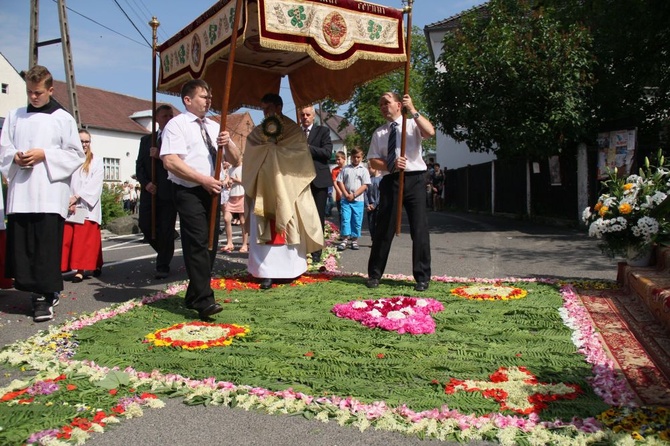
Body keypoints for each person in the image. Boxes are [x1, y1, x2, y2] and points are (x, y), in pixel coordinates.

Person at [0, 65, 85, 322]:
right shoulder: (14, 116)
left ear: (50, 90)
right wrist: (14, 157)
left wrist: (44, 154)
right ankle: (33, 290)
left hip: (48, 193)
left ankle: (45, 296)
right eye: (29, 92)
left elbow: (75, 154)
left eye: (38, 92)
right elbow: (4, 147)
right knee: (24, 248)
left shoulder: (63, 119)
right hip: (21, 192)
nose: (33, 97)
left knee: (45, 249)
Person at [160, 79, 241, 320]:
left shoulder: (216, 126)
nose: (209, 101)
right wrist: (202, 179)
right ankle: (205, 300)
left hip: (212, 191)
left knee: (210, 245)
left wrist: (228, 145)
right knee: (196, 242)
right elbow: (171, 161)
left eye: (209, 97)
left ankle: (194, 293)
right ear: (188, 100)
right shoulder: (177, 125)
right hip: (188, 190)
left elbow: (236, 158)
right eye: (203, 97)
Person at [242, 93, 324, 289]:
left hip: (287, 188)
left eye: (269, 109)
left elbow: (300, 155)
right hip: (263, 187)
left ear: (279, 107)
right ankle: (265, 272)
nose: (266, 113)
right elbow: (251, 152)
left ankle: (290, 270)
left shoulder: (293, 130)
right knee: (265, 229)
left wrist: (275, 151)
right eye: (263, 109)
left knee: (287, 227)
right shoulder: (258, 131)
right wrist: (267, 149)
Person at [366, 92, 435, 292]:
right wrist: (392, 163)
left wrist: (412, 109)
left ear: (398, 104)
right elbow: (372, 160)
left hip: (415, 179)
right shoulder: (379, 133)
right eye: (380, 104)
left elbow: (430, 132)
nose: (382, 106)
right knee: (383, 228)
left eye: (386, 102)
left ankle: (422, 276)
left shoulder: (413, 124)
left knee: (419, 228)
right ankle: (375, 274)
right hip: (391, 180)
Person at [136, 103, 178, 279]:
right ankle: (165, 249)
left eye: (170, 116)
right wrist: (146, 183)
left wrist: (160, 155)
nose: (168, 119)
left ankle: (163, 264)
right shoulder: (146, 140)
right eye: (164, 116)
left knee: (166, 228)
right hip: (150, 192)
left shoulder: (176, 138)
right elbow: (139, 166)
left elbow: (177, 164)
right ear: (157, 119)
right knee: (145, 225)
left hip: (168, 192)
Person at [61, 129, 104, 282]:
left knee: (85, 239)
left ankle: (81, 269)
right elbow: (64, 181)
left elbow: (95, 184)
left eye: (87, 141)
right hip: (70, 204)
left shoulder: (96, 161)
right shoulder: (69, 160)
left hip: (87, 205)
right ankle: (68, 266)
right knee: (69, 238)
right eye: (81, 141)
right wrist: (67, 200)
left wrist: (77, 197)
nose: (84, 144)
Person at [300, 106, 333, 261]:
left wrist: (308, 149)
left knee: (317, 215)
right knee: (301, 215)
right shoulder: (296, 134)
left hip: (319, 180)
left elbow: (327, 153)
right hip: (300, 181)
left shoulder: (323, 132)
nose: (305, 117)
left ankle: (316, 252)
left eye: (308, 115)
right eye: (302, 115)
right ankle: (302, 248)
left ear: (313, 116)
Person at [336, 147, 370, 251]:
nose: (356, 159)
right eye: (354, 157)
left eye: (358, 157)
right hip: (346, 199)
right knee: (346, 219)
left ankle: (354, 240)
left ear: (361, 157)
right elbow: (340, 181)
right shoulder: (346, 169)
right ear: (351, 157)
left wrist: (354, 195)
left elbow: (365, 185)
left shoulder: (364, 170)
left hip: (358, 200)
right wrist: (345, 193)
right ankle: (345, 239)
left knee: (356, 220)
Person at [223, 156, 248, 253]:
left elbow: (247, 182)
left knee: (243, 221)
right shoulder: (230, 168)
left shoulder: (244, 167)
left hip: (241, 195)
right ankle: (229, 242)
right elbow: (227, 180)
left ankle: (245, 244)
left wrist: (238, 181)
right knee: (226, 218)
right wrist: (226, 183)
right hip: (232, 196)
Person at [365, 165, 382, 240]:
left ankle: (377, 240)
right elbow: (365, 192)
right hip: (369, 205)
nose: (369, 169)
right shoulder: (368, 179)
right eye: (368, 168)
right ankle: (373, 239)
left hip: (378, 205)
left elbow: (381, 194)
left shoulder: (381, 179)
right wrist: (367, 204)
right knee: (371, 224)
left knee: (377, 224)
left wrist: (375, 204)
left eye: (370, 168)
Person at [331, 150, 346, 224]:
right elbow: (334, 183)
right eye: (336, 160)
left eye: (339, 159)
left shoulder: (348, 169)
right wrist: (339, 192)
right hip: (339, 196)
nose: (337, 161)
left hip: (348, 195)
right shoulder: (334, 170)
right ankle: (342, 232)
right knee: (341, 213)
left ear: (344, 159)